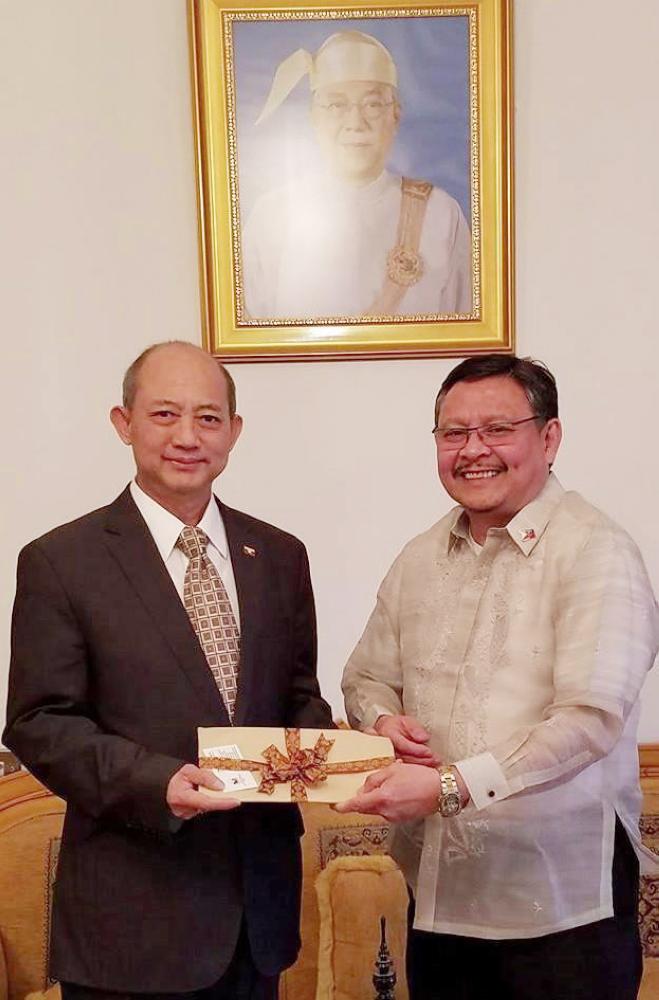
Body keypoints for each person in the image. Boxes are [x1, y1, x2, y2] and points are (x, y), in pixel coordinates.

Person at [3, 341, 333, 1000]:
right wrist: (159, 782)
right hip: (131, 925)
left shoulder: (277, 554)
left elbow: (297, 697)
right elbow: (40, 723)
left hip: (256, 917)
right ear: (123, 423)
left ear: (234, 433)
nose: (187, 436)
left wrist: (336, 759)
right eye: (164, 415)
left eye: (208, 418)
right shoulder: (61, 561)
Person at [339, 354, 659, 999]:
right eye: (453, 434)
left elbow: (590, 720)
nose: (472, 450)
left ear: (549, 437)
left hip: (559, 905)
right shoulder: (420, 557)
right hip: (434, 889)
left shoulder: (597, 551)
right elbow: (363, 678)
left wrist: (451, 786)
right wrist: (381, 719)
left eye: (496, 429)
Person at [241, 30, 472, 321]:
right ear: (314, 118)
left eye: (373, 105)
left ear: (395, 116)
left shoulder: (440, 213)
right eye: (337, 105)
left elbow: (468, 342)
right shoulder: (271, 215)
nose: (355, 123)